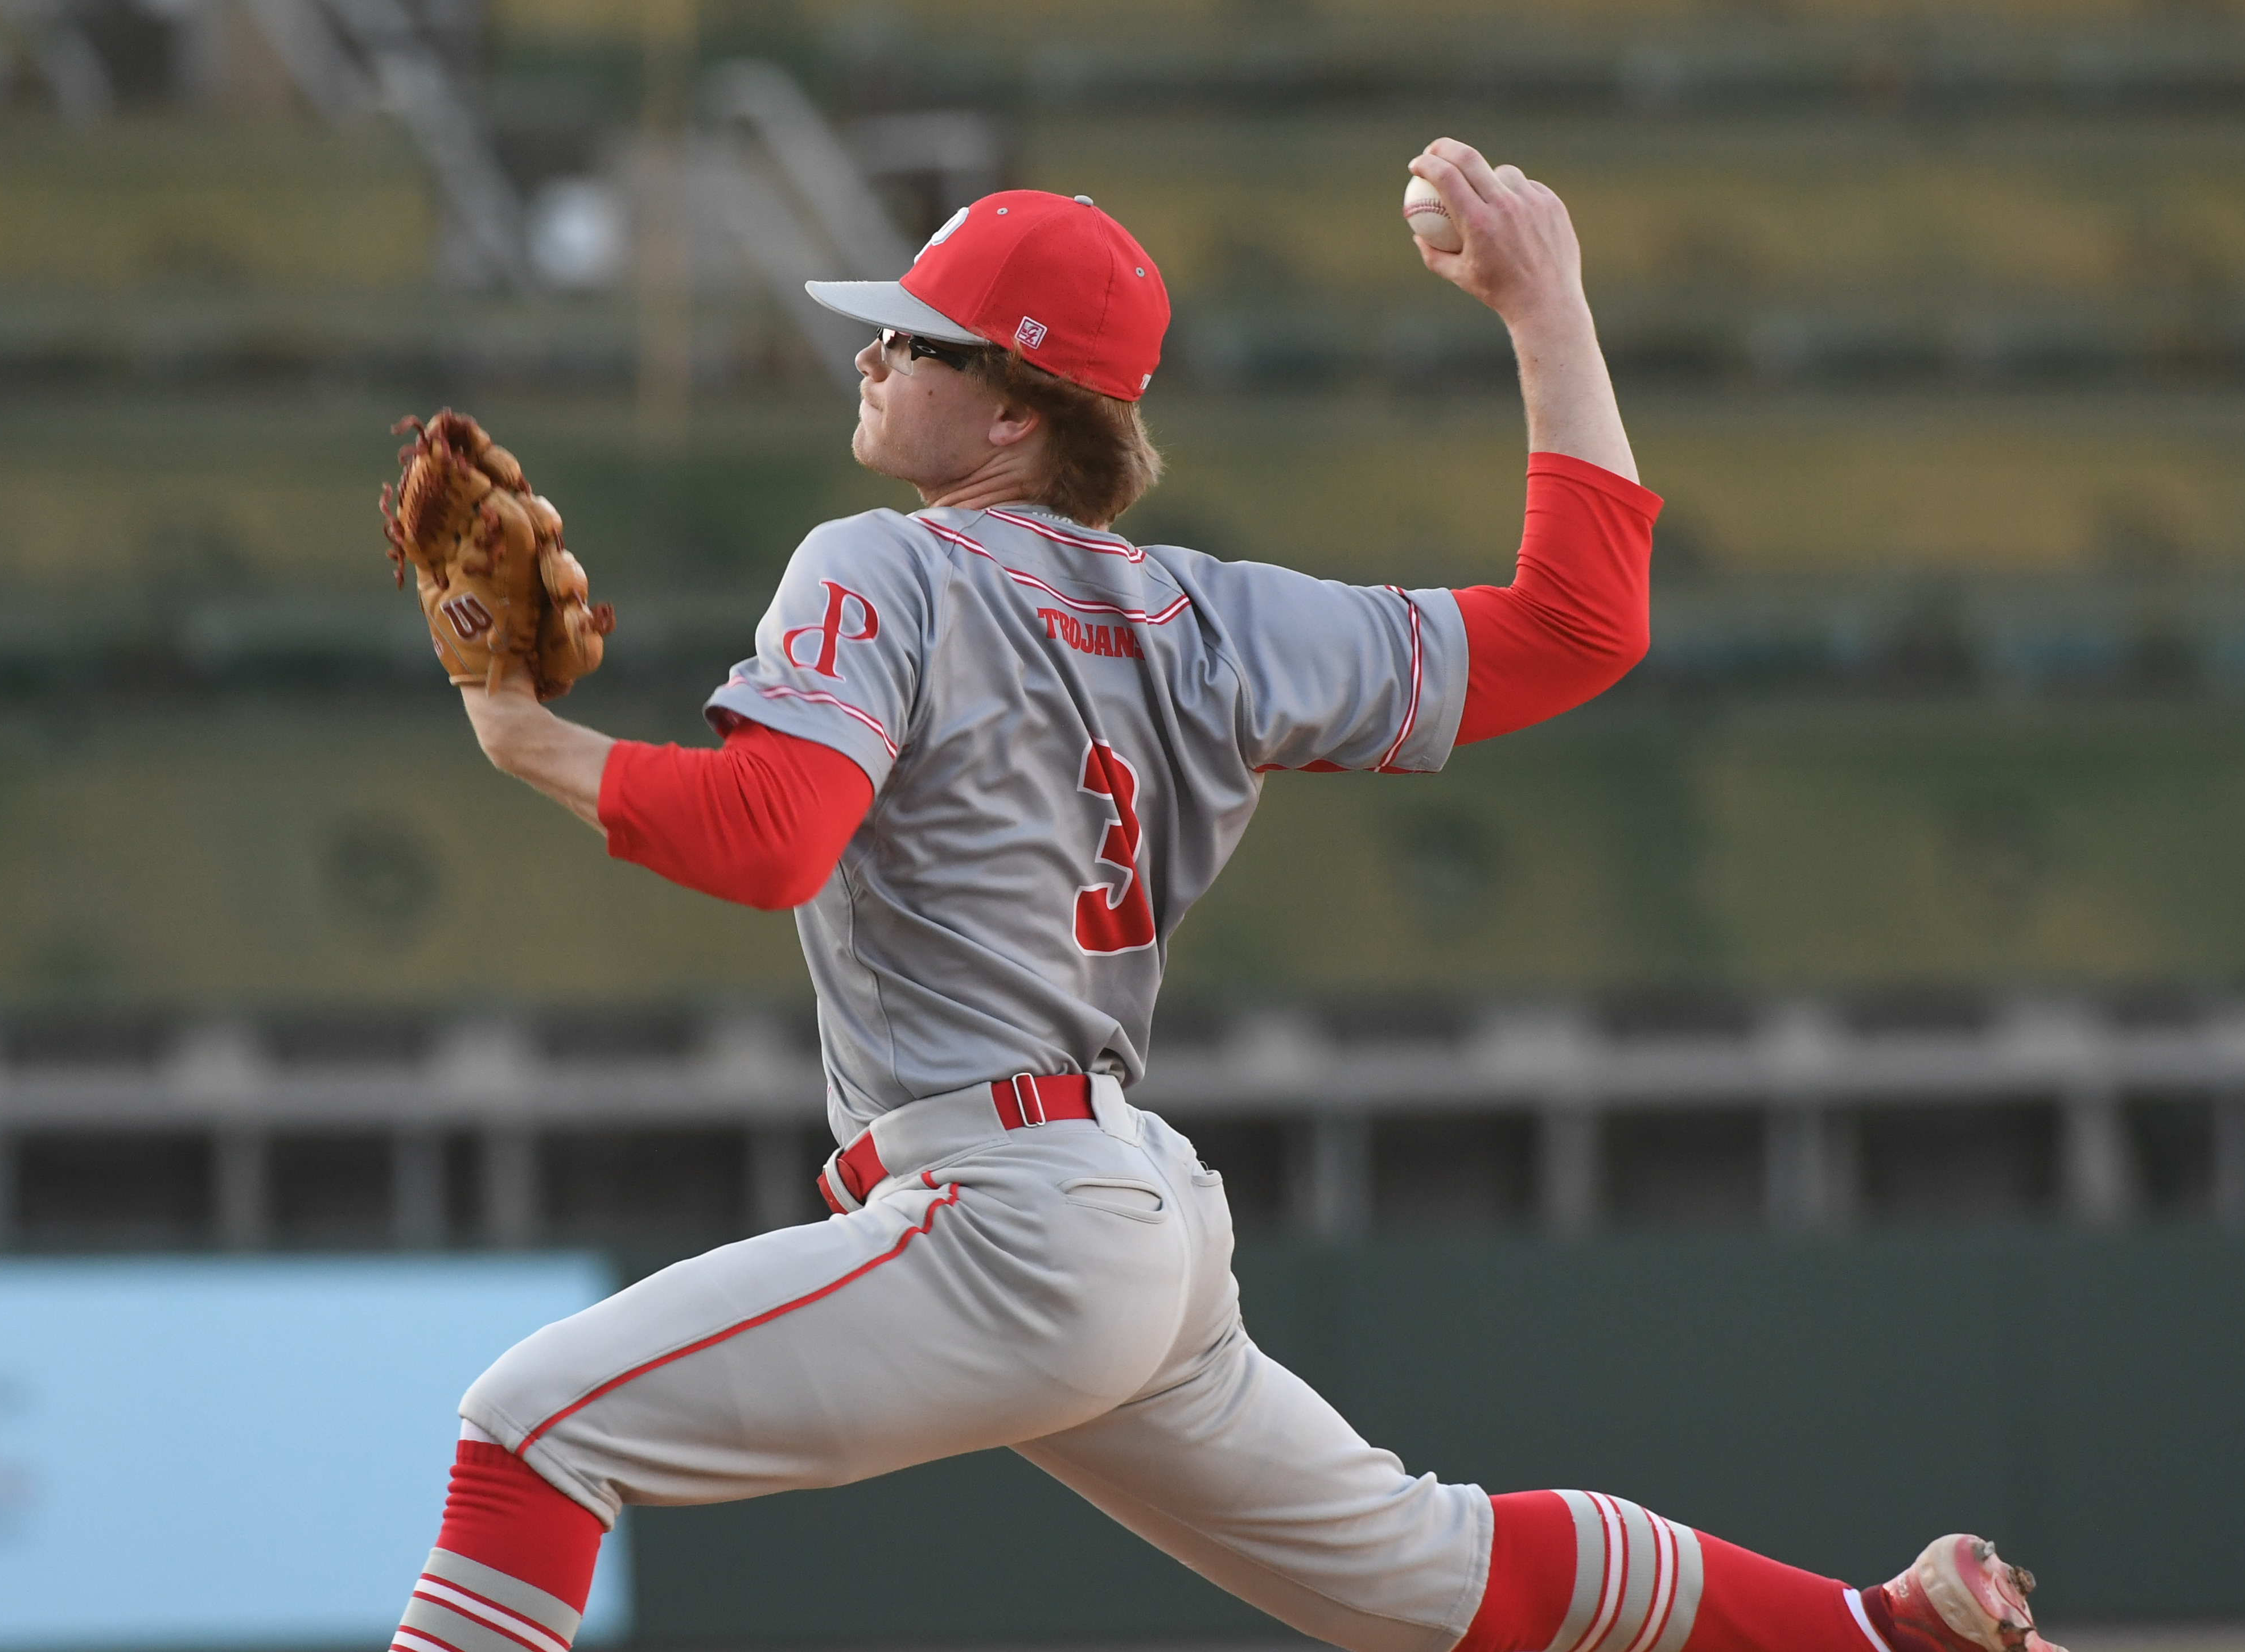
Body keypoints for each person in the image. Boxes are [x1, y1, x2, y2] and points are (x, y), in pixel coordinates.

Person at [392, 139, 2063, 1652]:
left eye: (912, 338)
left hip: (1008, 1218)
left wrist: (523, 738)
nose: (872, 352)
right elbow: (1582, 624)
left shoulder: (880, 560)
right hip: (1135, 1216)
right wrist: (1547, 305)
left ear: (1012, 414)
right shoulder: (1218, 616)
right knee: (1426, 1576)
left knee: (532, 1429)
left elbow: (767, 837)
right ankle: (1878, 1633)